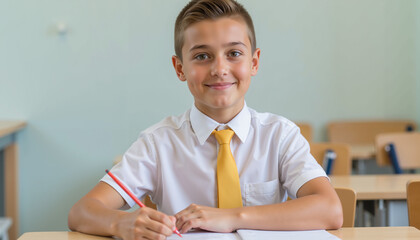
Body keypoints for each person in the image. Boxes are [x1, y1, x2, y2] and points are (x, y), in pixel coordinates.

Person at [68, 0, 343, 239]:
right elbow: (81, 212)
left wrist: (232, 217)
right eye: (202, 56)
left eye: (234, 53)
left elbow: (330, 209)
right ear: (180, 68)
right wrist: (120, 222)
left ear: (254, 62)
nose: (220, 69)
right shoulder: (158, 144)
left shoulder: (280, 135)